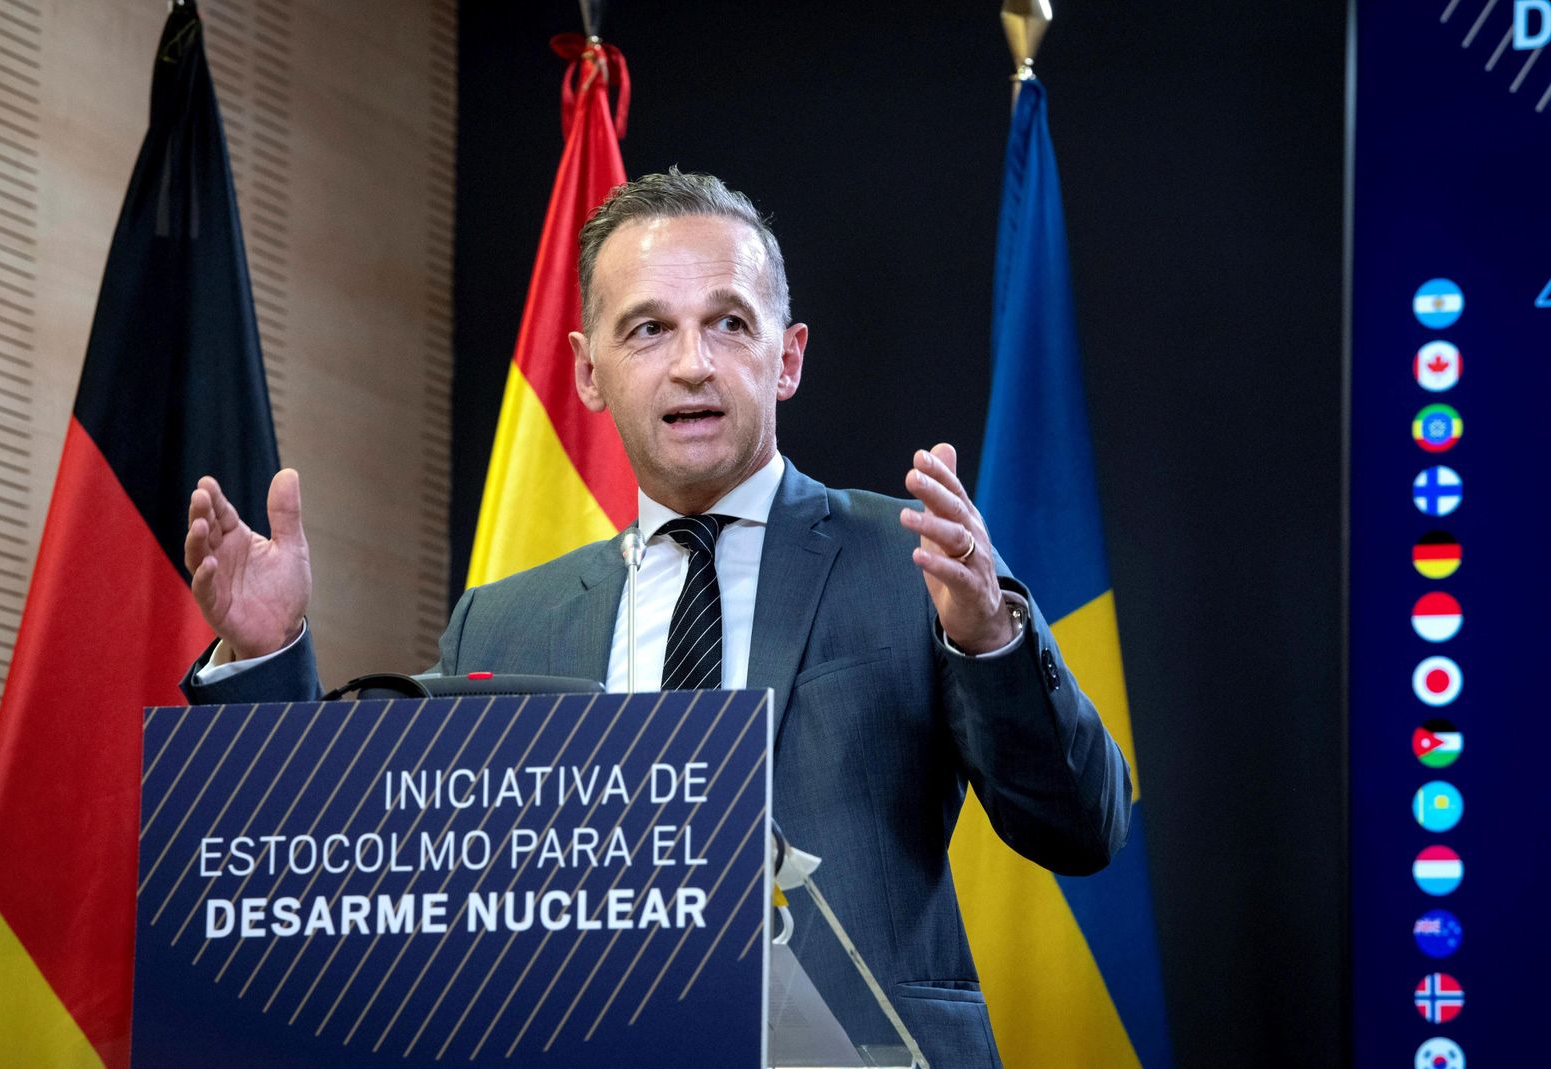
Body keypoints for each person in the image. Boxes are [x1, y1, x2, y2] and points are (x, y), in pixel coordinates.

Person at [181, 170, 1130, 1069]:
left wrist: (990, 639)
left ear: (786, 357)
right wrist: (264, 658)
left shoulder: (911, 560)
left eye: (727, 323)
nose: (691, 364)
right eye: (647, 329)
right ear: (589, 372)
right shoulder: (504, 626)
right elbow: (373, 886)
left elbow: (1082, 827)